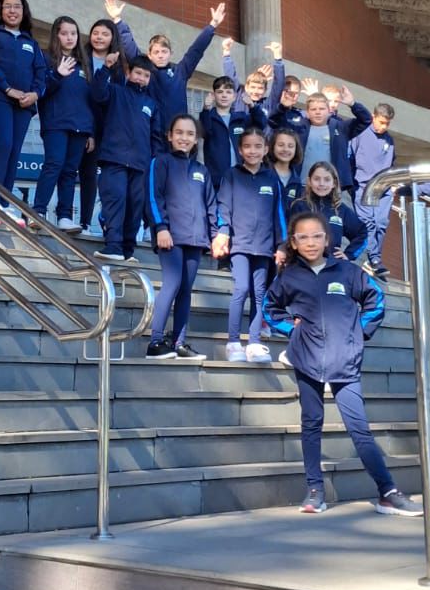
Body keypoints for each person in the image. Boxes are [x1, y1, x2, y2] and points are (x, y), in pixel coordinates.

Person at [265, 211, 421, 517]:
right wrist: (292, 331)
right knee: (311, 423)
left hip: (344, 359)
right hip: (307, 359)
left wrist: (357, 333)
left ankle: (388, 492)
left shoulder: (348, 271)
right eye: (303, 237)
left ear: (327, 239)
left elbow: (376, 300)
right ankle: (315, 491)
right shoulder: (288, 277)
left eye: (317, 236)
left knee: (358, 427)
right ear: (293, 243)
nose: (311, 242)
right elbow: (270, 309)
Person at [106, 0, 227, 145]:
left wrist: (212, 25)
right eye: (156, 52)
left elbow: (196, 50)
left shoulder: (181, 72)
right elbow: (129, 47)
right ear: (149, 55)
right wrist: (117, 20)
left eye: (164, 52)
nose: (160, 55)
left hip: (178, 138)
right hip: (151, 136)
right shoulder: (146, 72)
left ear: (170, 54)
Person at [212, 126, 286, 363]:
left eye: (257, 146)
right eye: (247, 146)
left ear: (265, 149)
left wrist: (282, 244)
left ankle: (254, 342)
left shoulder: (272, 178)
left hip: (264, 246)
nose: (252, 151)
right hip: (240, 245)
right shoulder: (231, 175)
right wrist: (223, 232)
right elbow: (223, 206)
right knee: (242, 288)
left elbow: (279, 214)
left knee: (259, 293)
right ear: (240, 150)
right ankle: (233, 342)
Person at [145, 113, 216, 360]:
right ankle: (155, 341)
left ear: (196, 139)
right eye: (179, 133)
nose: (184, 138)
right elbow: (154, 197)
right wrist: (160, 227)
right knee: (172, 284)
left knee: (186, 289)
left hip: (196, 238)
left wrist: (215, 236)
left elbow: (211, 205)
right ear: (169, 136)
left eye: (190, 134)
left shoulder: (202, 170)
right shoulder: (160, 162)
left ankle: (179, 342)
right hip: (170, 236)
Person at [0, 0, 49, 227]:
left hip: (24, 103)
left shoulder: (31, 42)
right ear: (0, 10)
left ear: (23, 11)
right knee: (4, 143)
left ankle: (5, 204)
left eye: (17, 6)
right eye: (7, 6)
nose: (12, 10)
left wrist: (35, 94)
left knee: (15, 150)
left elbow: (41, 73)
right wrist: (7, 88)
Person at [90, 51, 161, 262]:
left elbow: (156, 137)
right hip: (114, 159)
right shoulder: (115, 91)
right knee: (115, 200)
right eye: (138, 73)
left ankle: (128, 250)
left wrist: (154, 162)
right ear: (128, 73)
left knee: (135, 206)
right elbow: (97, 93)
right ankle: (113, 245)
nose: (141, 78)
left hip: (140, 165)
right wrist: (106, 68)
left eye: (146, 75)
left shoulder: (151, 104)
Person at [36, 16, 95, 229]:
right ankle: (38, 211)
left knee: (70, 171)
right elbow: (40, 91)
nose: (69, 37)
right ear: (56, 35)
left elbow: (91, 100)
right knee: (54, 164)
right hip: (55, 123)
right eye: (64, 33)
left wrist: (91, 132)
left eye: (73, 33)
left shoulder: (84, 64)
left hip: (80, 127)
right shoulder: (46, 59)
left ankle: (64, 216)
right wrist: (57, 75)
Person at [78, 17, 122, 239]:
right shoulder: (80, 58)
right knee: (71, 170)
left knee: (93, 176)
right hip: (80, 123)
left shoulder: (119, 67)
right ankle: (69, 218)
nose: (99, 37)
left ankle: (88, 222)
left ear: (112, 38)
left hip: (106, 129)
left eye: (105, 34)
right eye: (96, 33)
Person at [350, 102, 396, 281]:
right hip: (363, 186)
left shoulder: (389, 140)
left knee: (381, 222)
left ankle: (375, 257)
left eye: (387, 123)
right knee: (368, 222)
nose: (383, 127)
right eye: (381, 122)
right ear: (373, 117)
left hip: (383, 187)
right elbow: (349, 157)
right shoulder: (360, 133)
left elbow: (391, 163)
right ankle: (373, 258)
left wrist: (392, 183)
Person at [291, 162, 366, 261]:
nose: (321, 183)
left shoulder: (341, 210)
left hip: (331, 266)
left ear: (334, 183)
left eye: (327, 180)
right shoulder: (299, 206)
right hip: (302, 264)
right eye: (316, 179)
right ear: (309, 181)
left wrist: (349, 254)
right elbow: (290, 236)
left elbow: (362, 233)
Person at [299, 89, 368, 197]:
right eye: (313, 109)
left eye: (322, 109)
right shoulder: (299, 128)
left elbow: (366, 120)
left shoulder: (341, 127)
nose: (318, 112)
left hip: (331, 189)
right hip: (303, 186)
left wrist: (352, 104)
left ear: (329, 111)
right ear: (307, 113)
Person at [268, 128, 304, 221]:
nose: (285, 149)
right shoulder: (264, 174)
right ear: (272, 146)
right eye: (281, 145)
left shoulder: (297, 181)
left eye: (290, 146)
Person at [270, 71, 308, 144]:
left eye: (296, 93)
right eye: (289, 92)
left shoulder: (301, 114)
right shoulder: (270, 108)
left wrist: (314, 97)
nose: (292, 95)